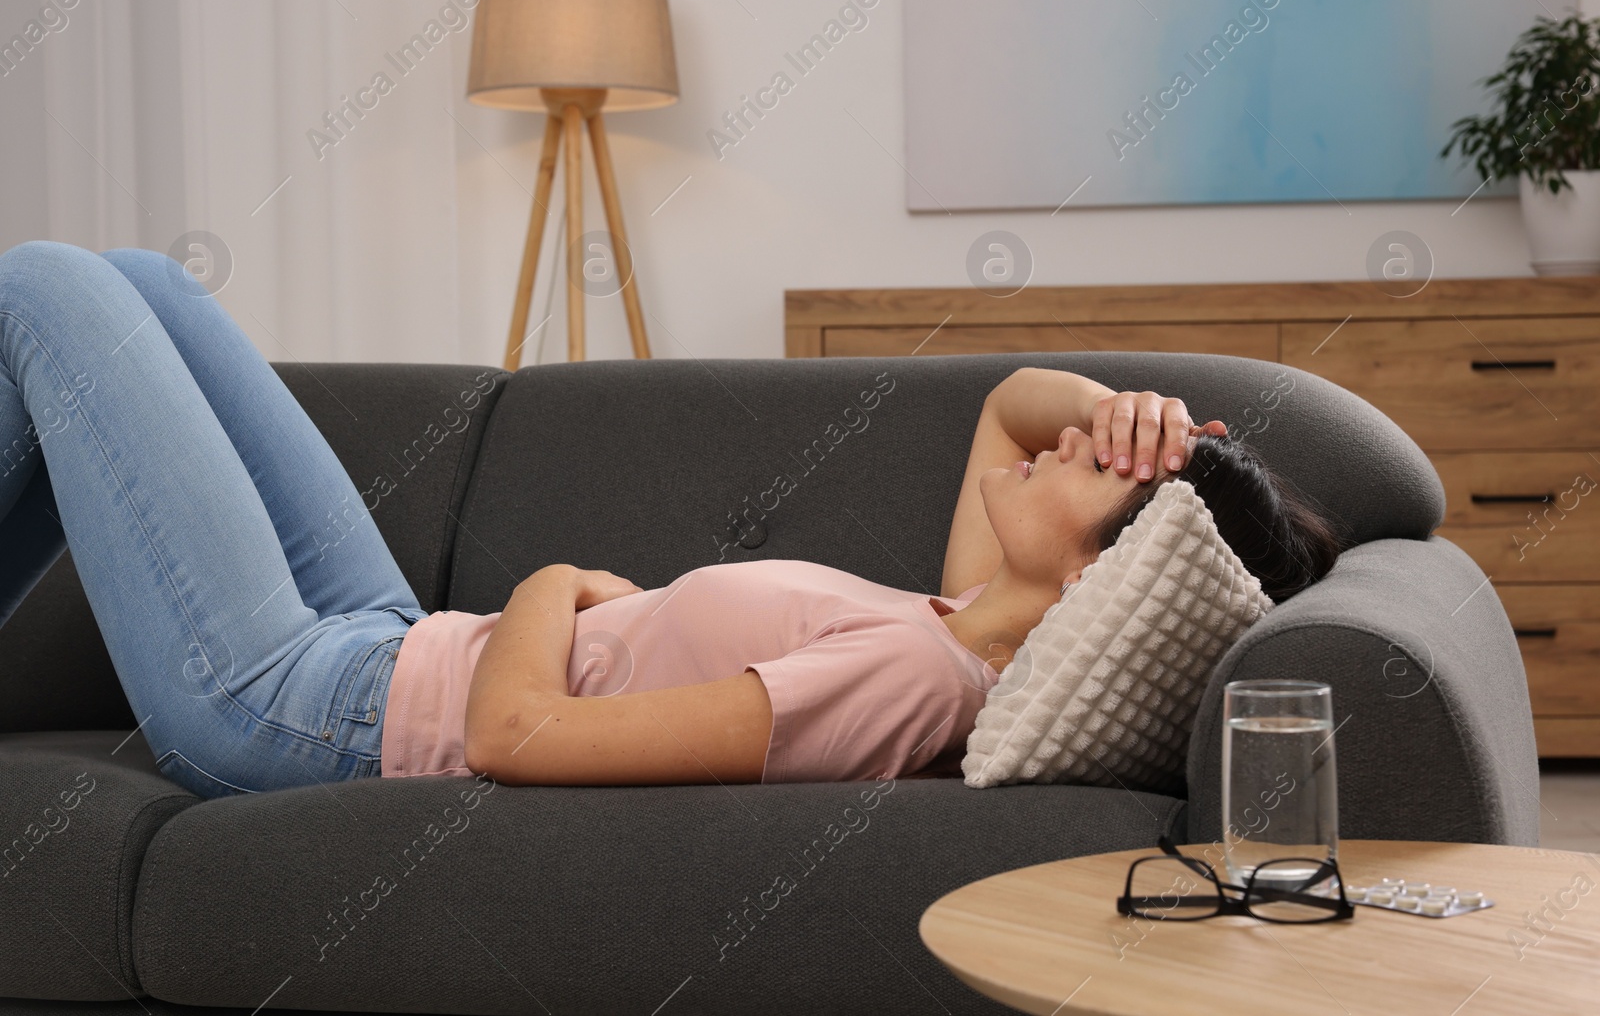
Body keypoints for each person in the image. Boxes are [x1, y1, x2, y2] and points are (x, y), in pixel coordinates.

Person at [0, 241, 1341, 800]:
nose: (1068, 443)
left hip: (301, 711)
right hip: (380, 640)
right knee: (144, 284)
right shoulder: (957, 620)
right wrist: (1134, 412)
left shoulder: (917, 677)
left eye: (1096, 469)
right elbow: (1007, 407)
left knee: (46, 286)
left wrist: (550, 583)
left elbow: (514, 740)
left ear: (1109, 573)